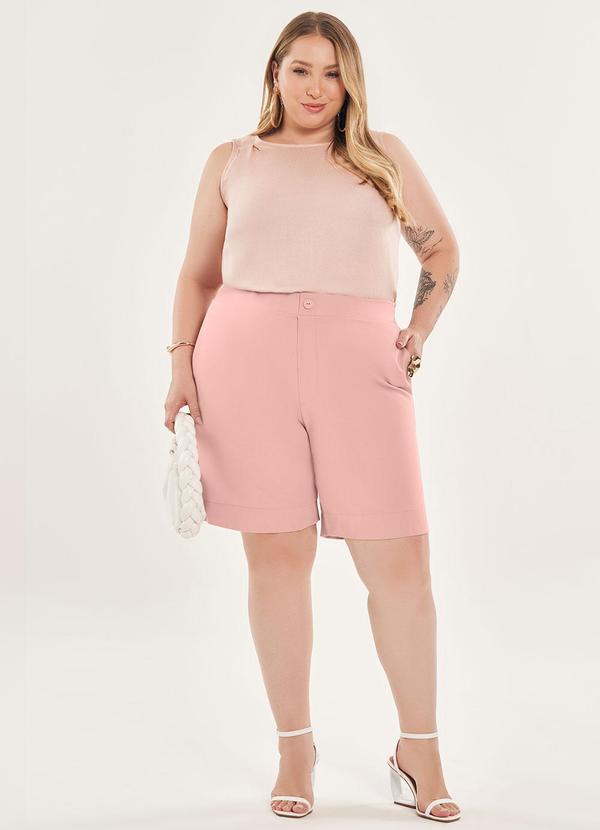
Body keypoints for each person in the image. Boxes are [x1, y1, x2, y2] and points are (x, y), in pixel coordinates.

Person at [164, 11, 461, 823]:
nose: (316, 88)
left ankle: (420, 751)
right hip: (243, 361)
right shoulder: (233, 160)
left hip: (361, 364)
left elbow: (439, 250)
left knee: (401, 565)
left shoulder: (380, 156)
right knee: (276, 559)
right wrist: (180, 365)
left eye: (332, 73)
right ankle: (295, 746)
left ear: (350, 81)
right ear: (275, 73)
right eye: (301, 69)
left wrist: (418, 331)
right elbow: (198, 274)